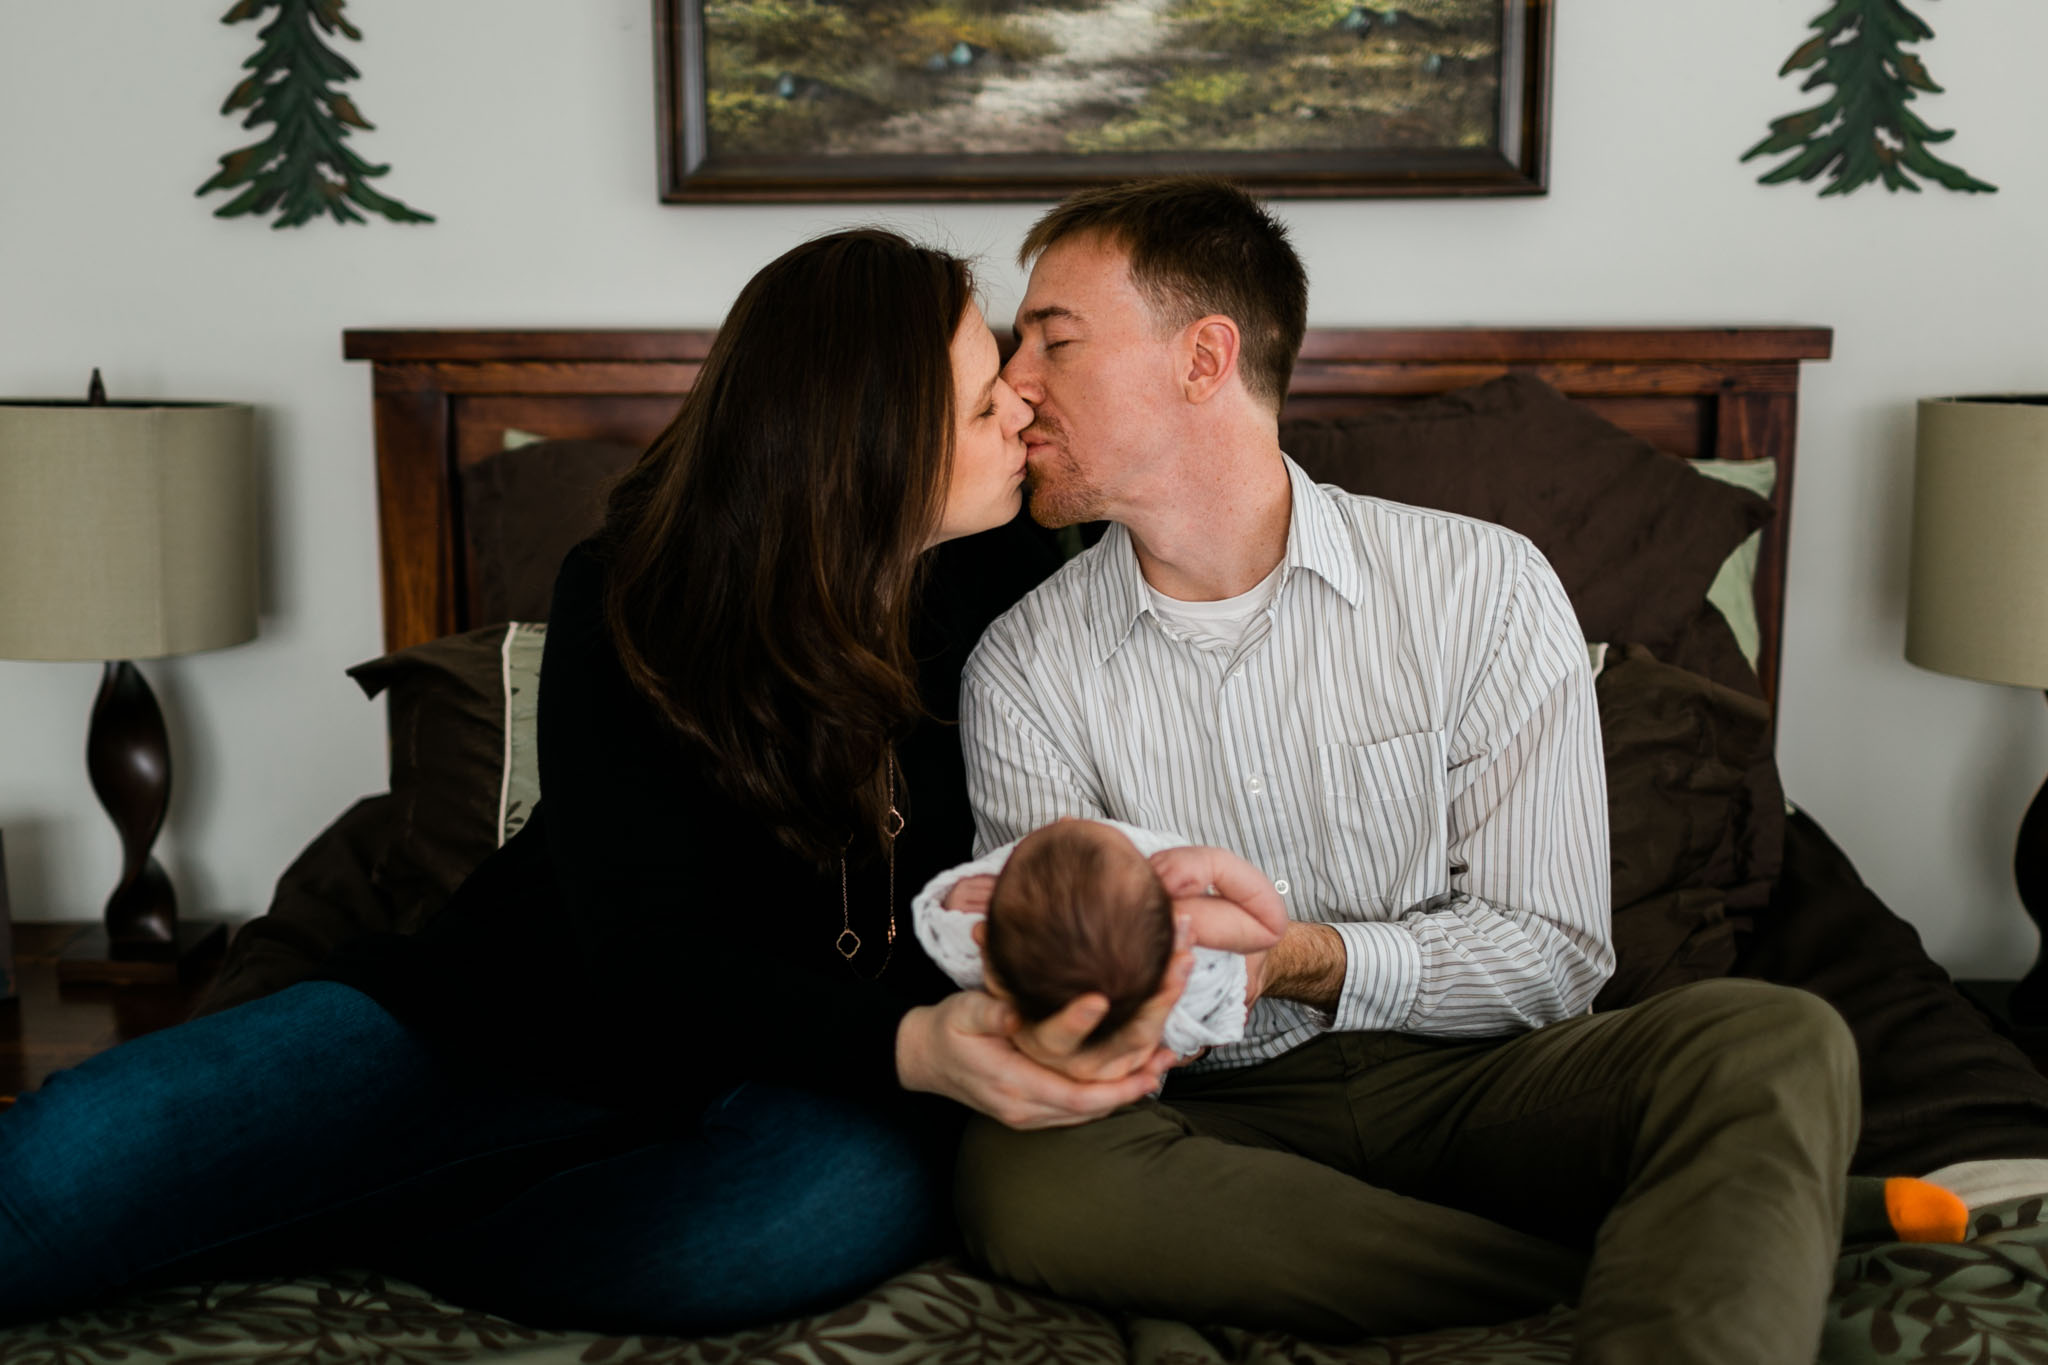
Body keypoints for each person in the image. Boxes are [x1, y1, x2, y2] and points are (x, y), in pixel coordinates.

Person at [0, 229, 1194, 1333]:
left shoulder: (1023, 584)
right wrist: (917, 1044)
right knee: (63, 1165)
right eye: (985, 399)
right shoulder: (633, 587)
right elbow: (642, 945)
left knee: (752, 1237)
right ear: (870, 444)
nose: (1023, 407)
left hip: (833, 1070)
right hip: (521, 1020)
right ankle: (381, 1181)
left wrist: (931, 1046)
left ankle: (393, 1218)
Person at [948, 178, 1865, 1365]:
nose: (1015, 381)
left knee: (1775, 1040)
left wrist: (1295, 957)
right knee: (1015, 1175)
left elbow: (1554, 952)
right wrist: (1095, 995)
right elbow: (1051, 996)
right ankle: (1591, 1269)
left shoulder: (1482, 587)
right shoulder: (1021, 662)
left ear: (1202, 356)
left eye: (1051, 340)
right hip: (1209, 1115)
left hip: (1485, 1085)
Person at [912, 817, 1274, 1056]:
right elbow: (1269, 927)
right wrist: (1214, 864)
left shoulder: (1013, 937)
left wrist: (961, 902)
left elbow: (952, 932)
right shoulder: (1181, 918)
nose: (1067, 819)